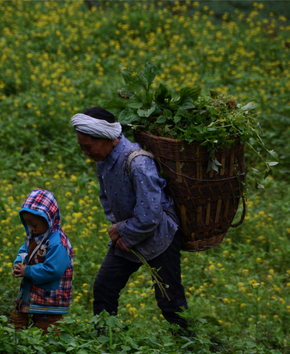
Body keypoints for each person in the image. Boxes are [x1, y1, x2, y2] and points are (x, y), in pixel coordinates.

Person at [71, 107, 191, 336]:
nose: (85, 152)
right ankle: (102, 344)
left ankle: (191, 348)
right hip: (127, 236)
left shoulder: (138, 164)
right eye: (81, 146)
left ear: (107, 138)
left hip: (159, 237)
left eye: (88, 146)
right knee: (105, 287)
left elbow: (150, 216)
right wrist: (122, 233)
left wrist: (123, 232)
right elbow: (106, 198)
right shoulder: (103, 160)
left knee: (169, 298)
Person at [10, 188, 74, 334]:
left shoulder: (58, 243)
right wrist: (18, 263)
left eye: (35, 224)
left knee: (48, 331)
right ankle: (15, 348)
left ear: (49, 220)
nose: (31, 228)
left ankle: (51, 353)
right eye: (28, 224)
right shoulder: (37, 236)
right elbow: (24, 250)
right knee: (16, 323)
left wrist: (28, 270)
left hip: (49, 299)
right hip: (30, 294)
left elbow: (53, 269)